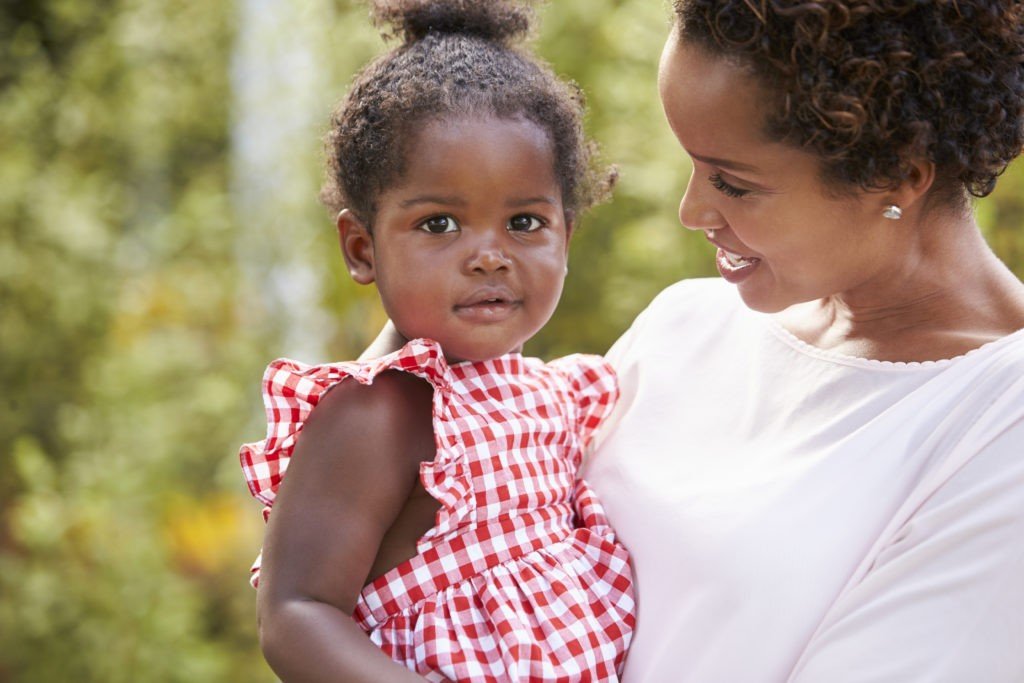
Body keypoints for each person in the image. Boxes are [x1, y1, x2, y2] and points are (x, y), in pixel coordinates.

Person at [581, 1, 1024, 681]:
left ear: (898, 175)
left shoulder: (998, 426)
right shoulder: (685, 325)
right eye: (694, 165)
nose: (692, 210)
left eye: (733, 182)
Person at [237, 1, 635, 681]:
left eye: (524, 222)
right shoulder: (378, 412)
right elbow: (296, 609)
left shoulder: (552, 393)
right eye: (440, 223)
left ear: (566, 235)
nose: (488, 256)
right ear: (362, 248)